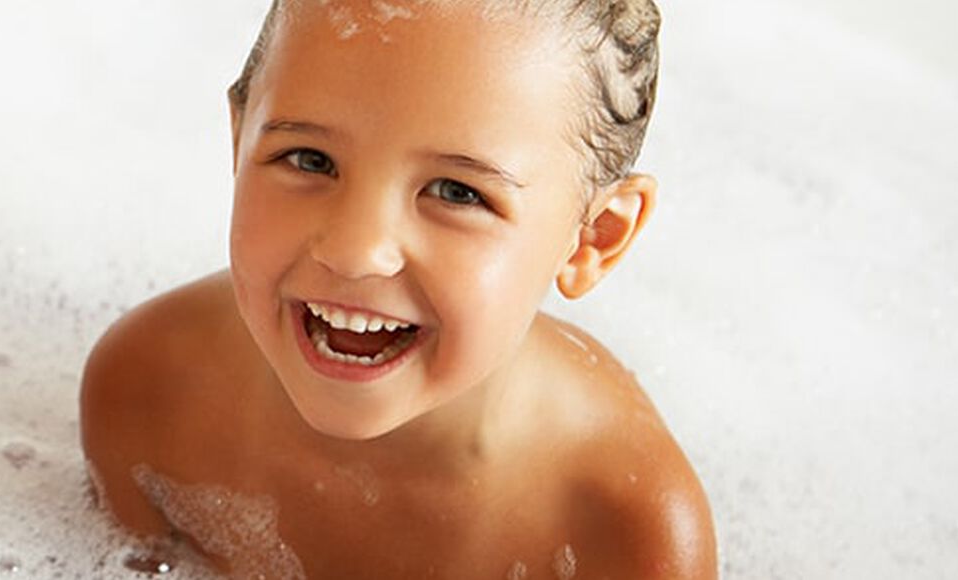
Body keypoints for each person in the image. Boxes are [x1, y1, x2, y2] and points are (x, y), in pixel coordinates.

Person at [81, 0, 716, 577]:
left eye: (458, 192)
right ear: (239, 140)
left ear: (592, 238)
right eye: (309, 159)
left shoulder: (628, 538)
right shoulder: (149, 398)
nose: (355, 253)